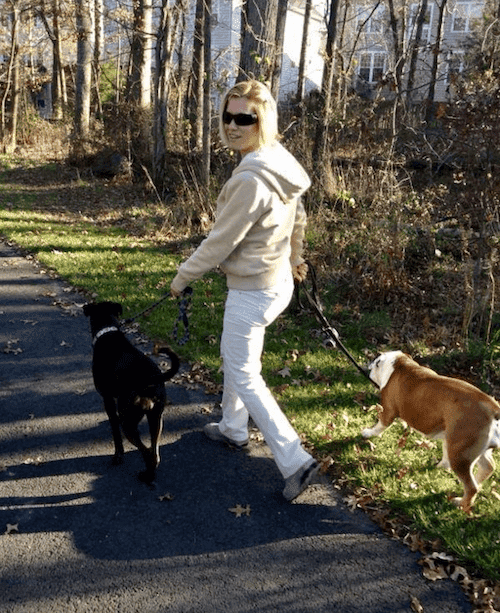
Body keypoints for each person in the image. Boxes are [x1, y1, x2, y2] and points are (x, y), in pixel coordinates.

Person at [170, 80, 319, 501]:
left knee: (243, 371)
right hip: (277, 283)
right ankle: (233, 429)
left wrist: (182, 277)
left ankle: (295, 459)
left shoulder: (251, 180)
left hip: (254, 290)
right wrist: (295, 257)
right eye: (228, 116)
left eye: (244, 119)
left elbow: (220, 241)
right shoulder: (277, 160)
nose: (233, 126)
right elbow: (299, 216)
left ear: (263, 121)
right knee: (237, 357)